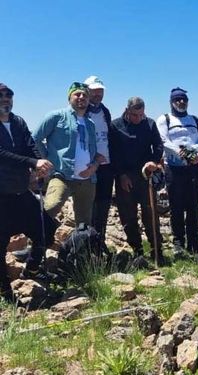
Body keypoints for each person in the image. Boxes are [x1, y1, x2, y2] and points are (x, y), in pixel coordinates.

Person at [0, 83, 57, 301]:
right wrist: (33, 161)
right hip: (2, 196)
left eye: (9, 95)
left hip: (21, 192)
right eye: (1, 95)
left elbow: (30, 144)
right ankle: (6, 293)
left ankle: (31, 270)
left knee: (47, 230)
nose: (5, 99)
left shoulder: (18, 121)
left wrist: (39, 164)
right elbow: (2, 153)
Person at [33, 82, 101, 226]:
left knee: (84, 222)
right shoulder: (56, 116)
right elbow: (35, 138)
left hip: (87, 180)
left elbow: (92, 150)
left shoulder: (90, 124)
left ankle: (81, 248)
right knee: (50, 209)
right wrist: (46, 159)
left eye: (85, 95)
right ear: (69, 97)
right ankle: (36, 245)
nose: (81, 97)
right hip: (62, 175)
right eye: (77, 94)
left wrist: (94, 166)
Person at [109, 97, 165, 266]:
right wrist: (121, 175)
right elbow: (113, 152)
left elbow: (158, 145)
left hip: (145, 175)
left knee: (150, 214)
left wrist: (154, 162)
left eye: (141, 114)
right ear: (127, 110)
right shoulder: (116, 126)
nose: (138, 118)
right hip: (124, 176)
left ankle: (157, 250)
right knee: (128, 216)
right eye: (135, 114)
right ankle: (138, 251)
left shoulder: (149, 124)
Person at [156, 87, 198, 256]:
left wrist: (192, 152)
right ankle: (178, 242)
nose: (181, 102)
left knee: (193, 206)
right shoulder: (165, 119)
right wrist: (182, 152)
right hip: (174, 169)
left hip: (193, 168)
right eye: (177, 100)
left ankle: (194, 241)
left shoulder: (196, 120)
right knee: (176, 207)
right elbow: (163, 140)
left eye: (183, 99)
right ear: (171, 102)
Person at [84, 76, 113, 240]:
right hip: (89, 167)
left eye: (100, 91)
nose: (98, 94)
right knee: (89, 206)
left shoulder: (104, 111)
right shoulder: (81, 112)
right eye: (94, 91)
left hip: (106, 167)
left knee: (103, 205)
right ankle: (86, 242)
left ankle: (99, 240)